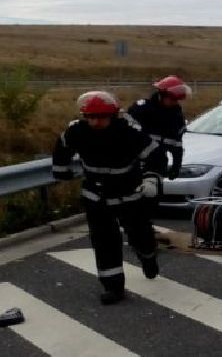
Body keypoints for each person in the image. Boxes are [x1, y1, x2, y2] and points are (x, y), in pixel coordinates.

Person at [52, 91, 162, 305]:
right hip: (96, 197)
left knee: (140, 235)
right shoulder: (77, 130)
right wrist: (61, 170)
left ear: (112, 115)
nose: (95, 121)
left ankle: (148, 257)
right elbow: (62, 146)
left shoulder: (129, 132)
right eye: (91, 117)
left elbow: (155, 155)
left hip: (129, 194)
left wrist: (151, 179)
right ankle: (113, 287)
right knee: (104, 242)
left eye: (101, 117)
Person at [128, 75, 190, 180]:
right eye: (172, 99)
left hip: (157, 163)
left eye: (177, 100)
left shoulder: (177, 115)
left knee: (152, 192)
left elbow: (177, 144)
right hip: (133, 162)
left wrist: (176, 166)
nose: (175, 102)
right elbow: (126, 135)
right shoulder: (141, 109)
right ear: (162, 95)